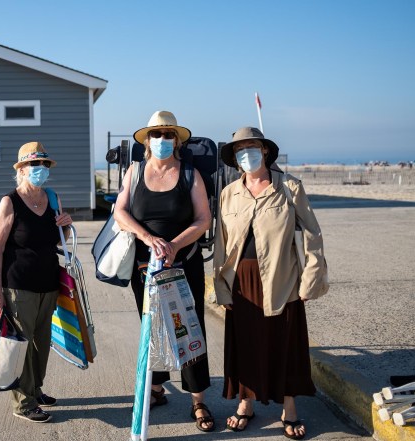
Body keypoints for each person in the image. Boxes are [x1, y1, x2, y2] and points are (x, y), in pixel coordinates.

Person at [213, 127, 328, 440]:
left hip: (282, 277)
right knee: (245, 342)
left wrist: (309, 281)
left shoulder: (289, 186)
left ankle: (288, 408)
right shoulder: (229, 193)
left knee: (285, 343)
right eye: (240, 150)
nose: (246, 154)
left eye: (252, 147)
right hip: (241, 279)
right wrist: (221, 286)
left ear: (264, 151)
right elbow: (221, 244)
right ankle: (245, 403)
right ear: (235, 158)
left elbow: (313, 235)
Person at [113, 111, 215, 432]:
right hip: (144, 268)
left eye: (168, 134)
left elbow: (203, 219)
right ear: (147, 141)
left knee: (189, 327)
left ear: (177, 140)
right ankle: (156, 389)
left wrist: (173, 245)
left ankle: (198, 399)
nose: (162, 140)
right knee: (151, 328)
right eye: (156, 135)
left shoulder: (190, 173)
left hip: (184, 265)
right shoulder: (135, 171)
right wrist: (148, 237)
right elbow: (120, 211)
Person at [0, 141, 72, 423]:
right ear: (21, 169)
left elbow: (62, 240)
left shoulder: (52, 198)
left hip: (49, 284)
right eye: (34, 165)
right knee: (21, 345)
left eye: (44, 165)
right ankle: (23, 403)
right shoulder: (9, 202)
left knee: (42, 343)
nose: (40, 170)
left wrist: (67, 226)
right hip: (18, 285)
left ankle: (35, 390)